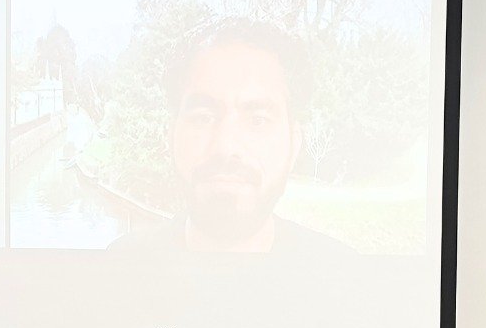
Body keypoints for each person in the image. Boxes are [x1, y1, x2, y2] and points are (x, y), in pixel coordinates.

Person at [112, 20, 349, 255]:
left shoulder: (344, 270)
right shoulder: (120, 264)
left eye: (257, 120)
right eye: (203, 117)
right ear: (171, 135)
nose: (225, 147)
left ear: (294, 144)